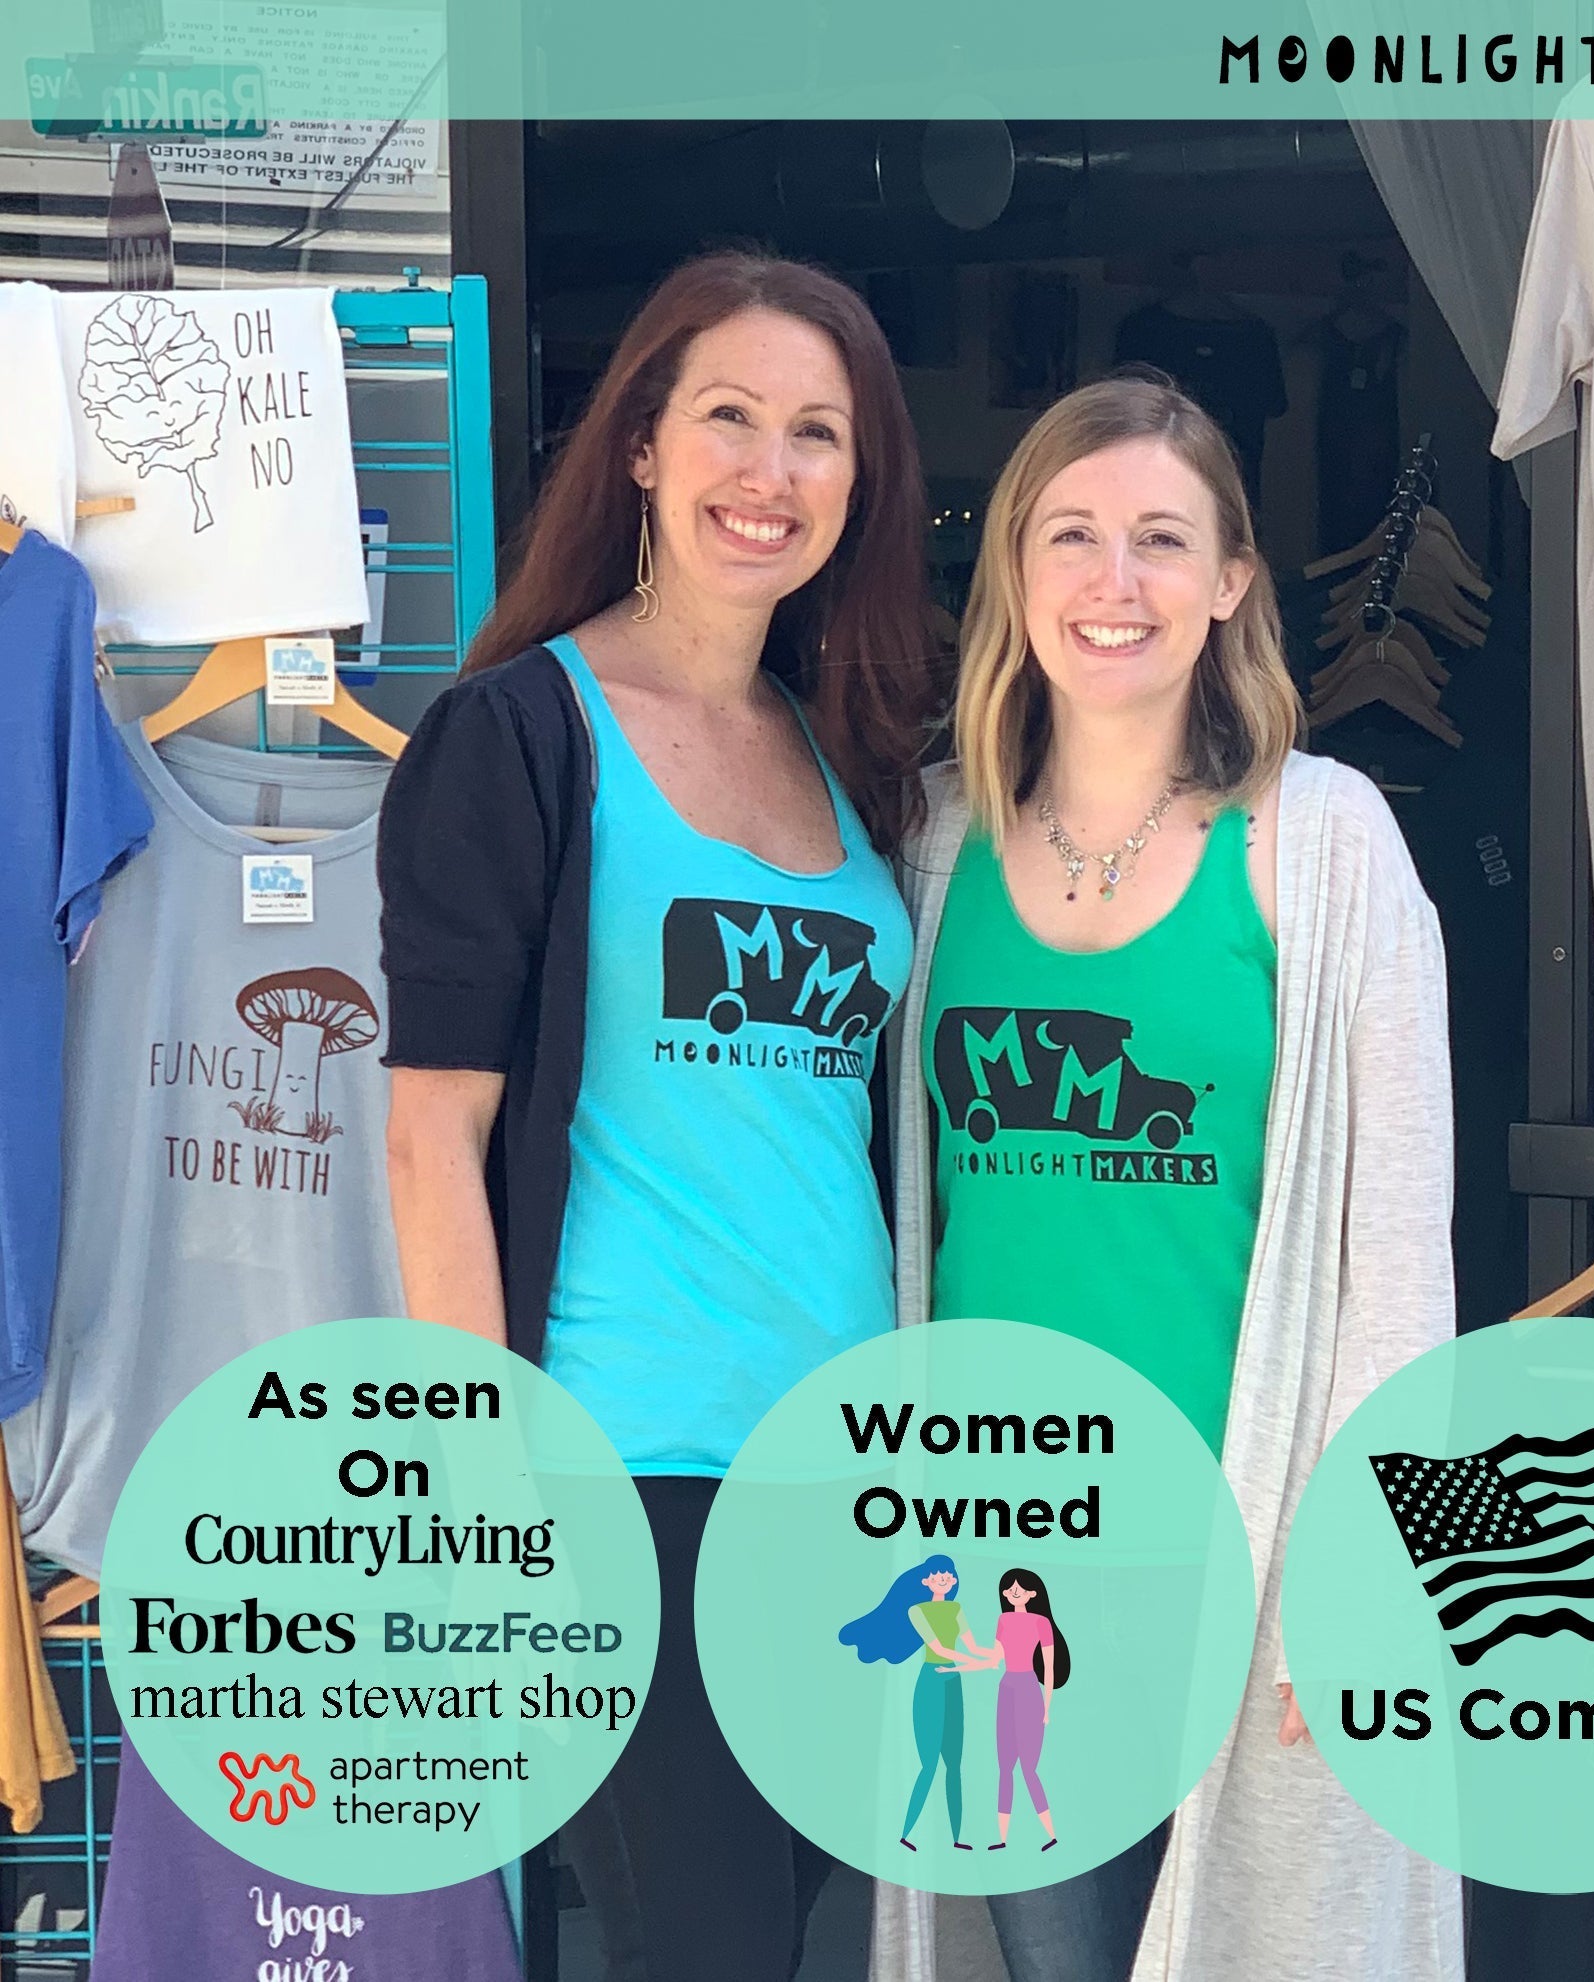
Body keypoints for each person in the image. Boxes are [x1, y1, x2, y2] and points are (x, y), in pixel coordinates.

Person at [376, 250, 938, 1982]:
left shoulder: (853, 754)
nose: (767, 475)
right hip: (627, 1463)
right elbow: (428, 1145)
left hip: (840, 1468)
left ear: (858, 484)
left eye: (815, 435)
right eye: (728, 419)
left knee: (806, 1943)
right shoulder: (512, 737)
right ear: (639, 445)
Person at [876, 372, 1463, 1982]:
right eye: (1069, 534)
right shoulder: (932, 845)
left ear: (1229, 585)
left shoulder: (1324, 842)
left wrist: (1366, 1558)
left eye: (1157, 538)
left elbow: (1399, 1245)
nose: (1111, 581)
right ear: (1011, 573)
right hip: (999, 1554)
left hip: (1243, 1543)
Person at [839, 1555, 995, 1851]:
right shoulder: (917, 1611)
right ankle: (907, 1834)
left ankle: (956, 1838)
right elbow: (937, 1647)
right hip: (932, 1681)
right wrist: (979, 1661)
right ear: (925, 1581)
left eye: (949, 1576)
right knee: (927, 1764)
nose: (945, 1580)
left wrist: (991, 1653)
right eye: (939, 1576)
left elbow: (971, 1644)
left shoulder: (957, 1609)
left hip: (953, 1681)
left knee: (954, 1764)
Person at [973, 1568, 1068, 1852]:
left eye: (1020, 1587)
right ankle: (1002, 1839)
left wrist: (1048, 1706)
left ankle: (1049, 1833)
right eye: (1009, 1587)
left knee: (1030, 1769)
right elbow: (994, 1658)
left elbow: (1049, 1667)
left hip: (1029, 1689)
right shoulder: (1003, 1620)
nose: (1013, 1591)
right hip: (1007, 1688)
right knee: (1004, 1767)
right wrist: (960, 1659)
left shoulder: (1041, 1623)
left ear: (1032, 1593)